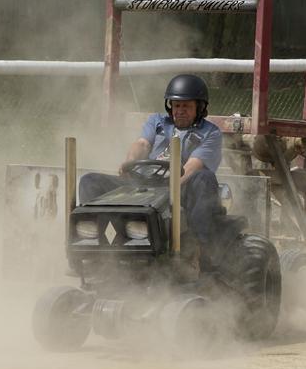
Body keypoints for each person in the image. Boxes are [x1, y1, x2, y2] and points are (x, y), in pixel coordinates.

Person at [79, 74, 224, 251]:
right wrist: (130, 161)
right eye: (176, 105)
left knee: (204, 178)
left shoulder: (210, 133)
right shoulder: (157, 122)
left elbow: (193, 166)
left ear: (199, 108)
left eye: (186, 106)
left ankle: (201, 250)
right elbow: (142, 143)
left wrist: (167, 190)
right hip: (144, 184)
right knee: (89, 181)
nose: (180, 110)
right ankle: (94, 243)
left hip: (181, 189)